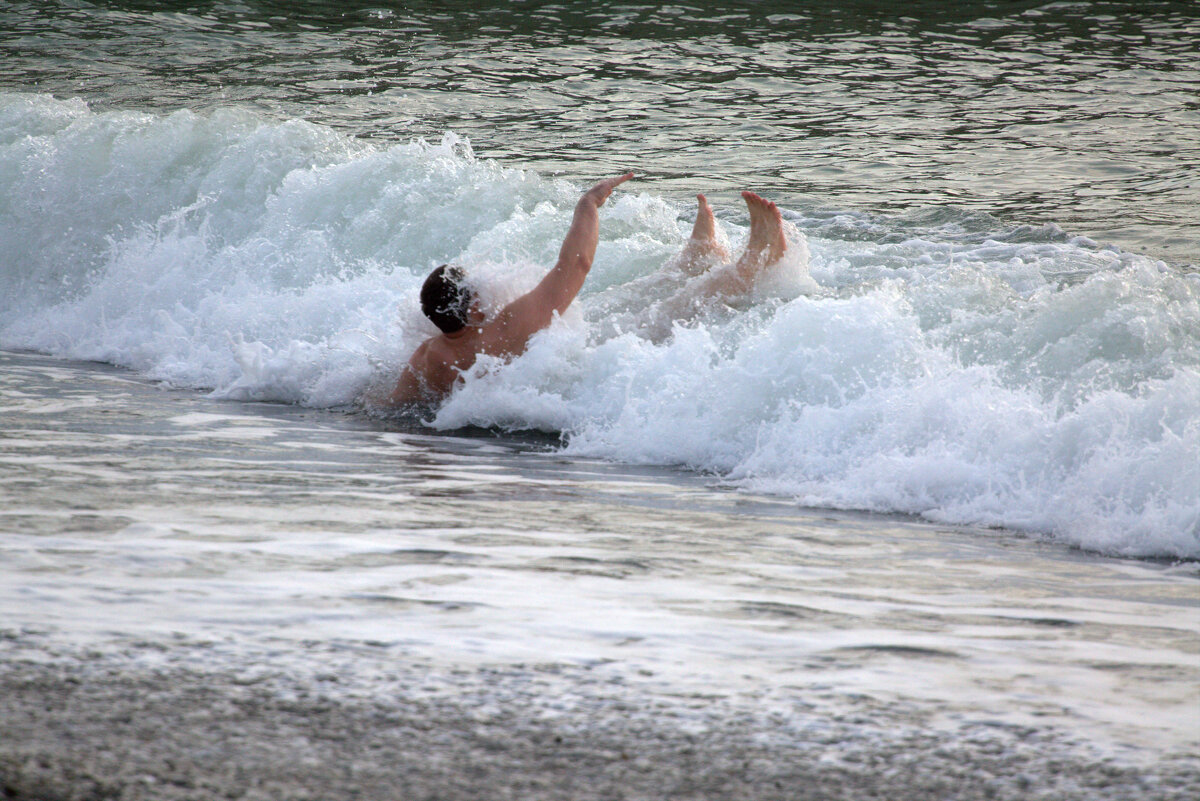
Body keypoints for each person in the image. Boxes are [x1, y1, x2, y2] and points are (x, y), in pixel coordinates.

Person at [382, 174, 788, 406]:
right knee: (671, 313)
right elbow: (576, 265)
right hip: (588, 374)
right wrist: (588, 205)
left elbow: (389, 405)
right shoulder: (505, 328)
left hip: (557, 372)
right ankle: (758, 261)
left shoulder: (429, 355)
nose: (486, 291)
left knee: (627, 303)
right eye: (477, 291)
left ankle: (697, 257)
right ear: (470, 312)